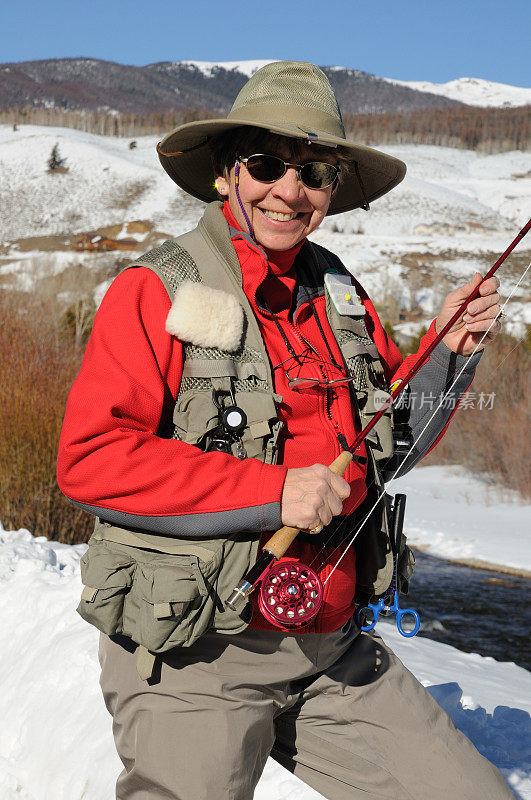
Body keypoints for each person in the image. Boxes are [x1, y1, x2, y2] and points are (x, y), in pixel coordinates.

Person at [57, 61, 511, 800]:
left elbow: (386, 447)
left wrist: (448, 353)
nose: (289, 191)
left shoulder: (338, 292)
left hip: (331, 650)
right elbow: (91, 461)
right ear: (224, 175)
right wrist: (273, 493)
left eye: (316, 173)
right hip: (197, 655)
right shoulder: (156, 289)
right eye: (267, 165)